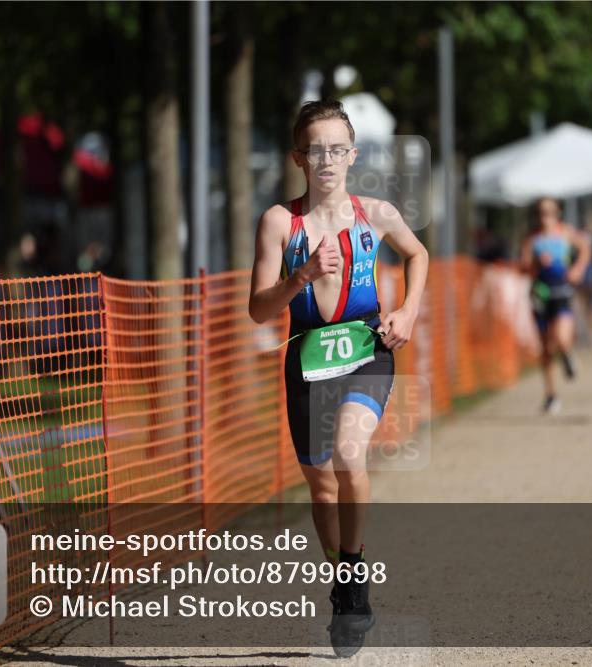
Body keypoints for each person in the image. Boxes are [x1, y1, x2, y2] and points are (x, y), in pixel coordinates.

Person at [248, 100, 428, 657]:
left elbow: (418, 254)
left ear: (352, 155)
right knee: (322, 487)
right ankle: (349, 584)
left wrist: (408, 311)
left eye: (337, 149)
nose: (327, 159)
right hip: (306, 358)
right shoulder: (281, 222)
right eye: (315, 150)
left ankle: (349, 576)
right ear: (299, 157)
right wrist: (300, 275)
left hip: (367, 349)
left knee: (351, 456)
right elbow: (258, 309)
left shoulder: (377, 213)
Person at [519, 197, 592, 415]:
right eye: (542, 212)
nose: (546, 216)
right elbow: (523, 266)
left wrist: (578, 268)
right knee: (546, 348)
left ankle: (568, 356)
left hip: (562, 291)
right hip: (541, 295)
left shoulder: (566, 233)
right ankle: (550, 394)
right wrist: (536, 263)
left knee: (561, 336)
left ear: (557, 212)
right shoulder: (533, 240)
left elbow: (585, 248)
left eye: (550, 211)